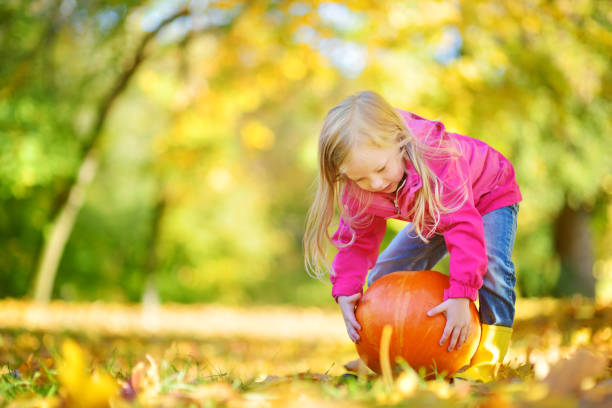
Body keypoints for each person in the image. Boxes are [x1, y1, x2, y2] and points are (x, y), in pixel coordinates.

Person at [303, 90, 522, 383]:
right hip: (430, 211)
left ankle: (488, 358)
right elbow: (357, 241)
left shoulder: (437, 157)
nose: (376, 184)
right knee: (385, 272)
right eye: (360, 178)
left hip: (487, 195)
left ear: (399, 142)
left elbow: (462, 226)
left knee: (493, 266)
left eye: (381, 169)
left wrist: (461, 294)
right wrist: (346, 288)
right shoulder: (360, 189)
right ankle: (385, 354)